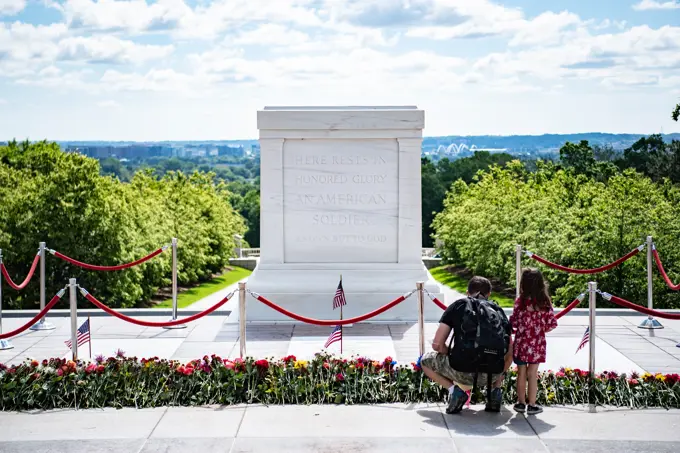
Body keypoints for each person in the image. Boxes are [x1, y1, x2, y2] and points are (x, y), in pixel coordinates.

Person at [421, 276, 513, 414]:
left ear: (467, 292)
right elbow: (509, 351)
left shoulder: (458, 306)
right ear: (489, 294)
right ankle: (495, 391)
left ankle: (455, 392)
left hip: (461, 370)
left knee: (425, 361)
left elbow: (437, 345)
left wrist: (451, 353)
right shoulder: (498, 310)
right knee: (501, 357)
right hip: (492, 373)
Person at [509, 268, 558, 415]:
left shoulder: (521, 301)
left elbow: (515, 322)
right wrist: (540, 330)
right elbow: (551, 324)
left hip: (521, 342)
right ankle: (532, 404)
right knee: (532, 373)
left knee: (521, 372)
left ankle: (520, 403)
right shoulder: (544, 302)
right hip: (536, 343)